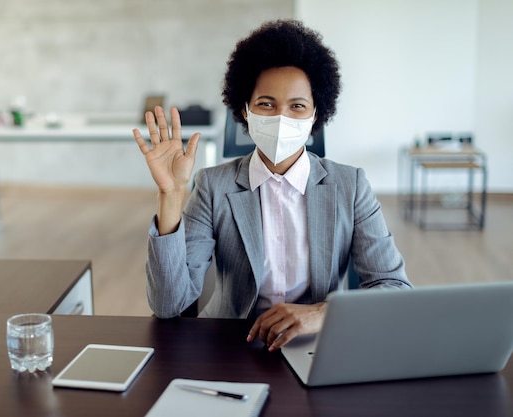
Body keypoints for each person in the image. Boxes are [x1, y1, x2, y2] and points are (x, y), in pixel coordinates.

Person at [133, 19, 411, 352]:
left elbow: (394, 287)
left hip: (318, 344)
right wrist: (171, 195)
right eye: (267, 104)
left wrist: (321, 314)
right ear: (245, 111)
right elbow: (168, 305)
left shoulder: (350, 186)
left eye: (297, 106)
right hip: (231, 347)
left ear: (315, 117)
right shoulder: (212, 186)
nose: (282, 117)